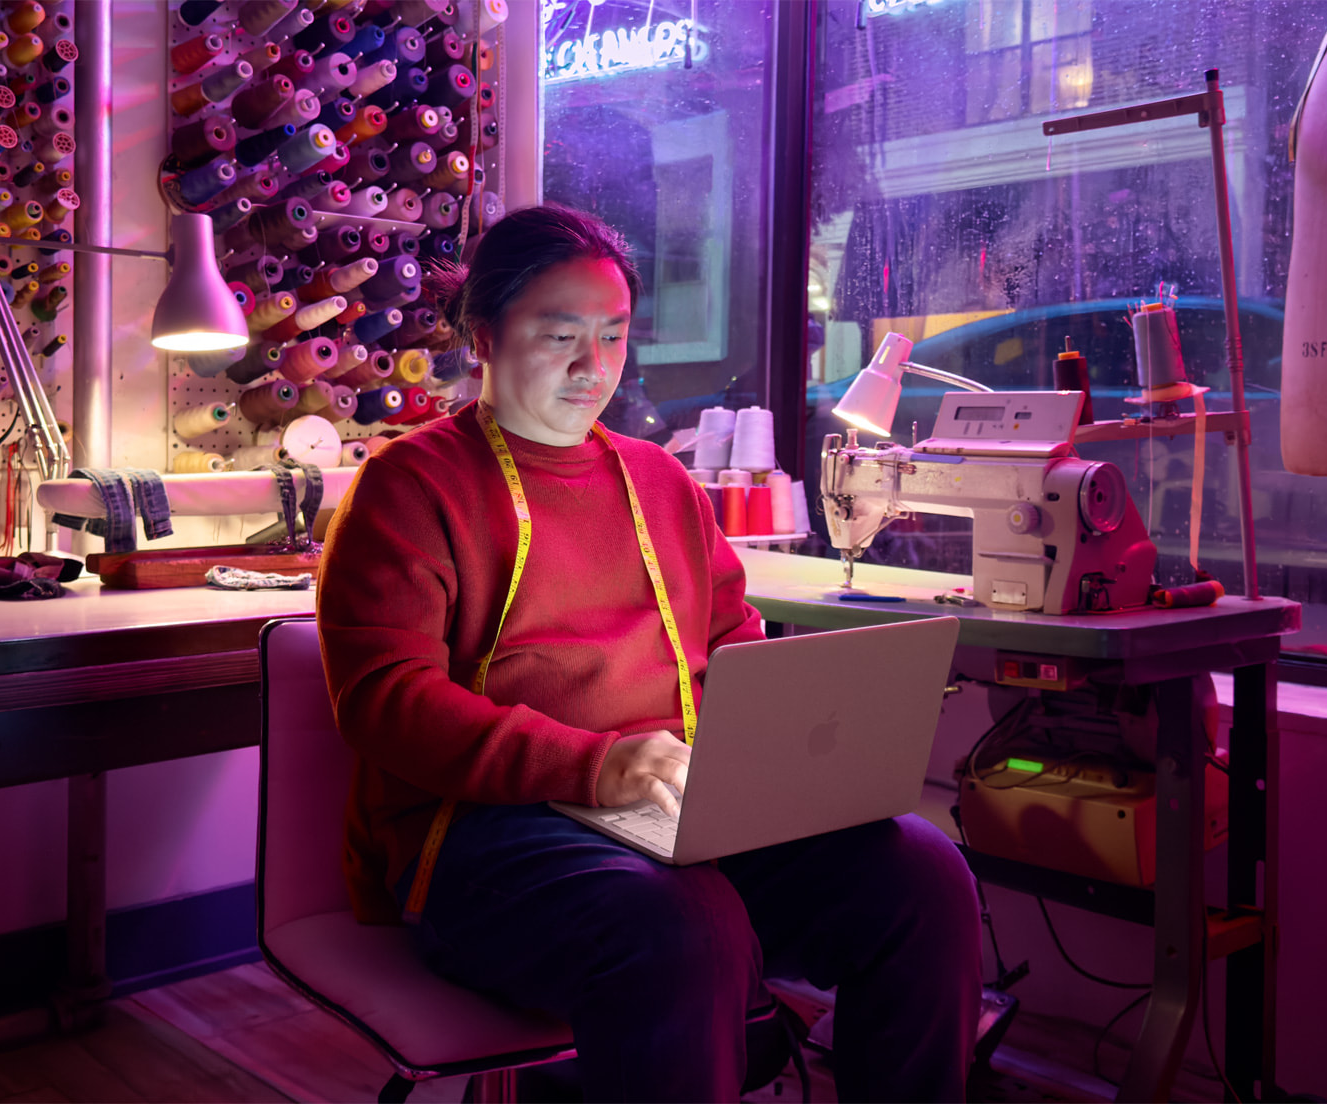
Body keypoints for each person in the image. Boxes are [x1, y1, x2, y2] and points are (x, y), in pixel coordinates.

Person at [317, 205, 984, 1101]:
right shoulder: (409, 487)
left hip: (674, 817)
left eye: (614, 336)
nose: (594, 367)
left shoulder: (661, 482)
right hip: (482, 837)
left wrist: (771, 758)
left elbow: (732, 643)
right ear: (484, 335)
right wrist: (596, 766)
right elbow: (386, 702)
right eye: (560, 337)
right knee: (681, 924)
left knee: (920, 872)